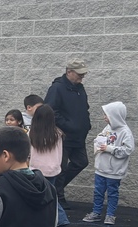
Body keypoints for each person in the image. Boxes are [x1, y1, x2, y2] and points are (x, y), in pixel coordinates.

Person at [45, 58, 91, 208]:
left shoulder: (80, 88)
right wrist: (68, 125)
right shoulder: (57, 88)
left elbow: (84, 108)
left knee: (81, 162)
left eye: (83, 75)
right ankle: (58, 197)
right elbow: (50, 110)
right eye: (79, 74)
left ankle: (55, 190)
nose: (81, 78)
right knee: (61, 167)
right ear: (69, 72)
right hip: (63, 135)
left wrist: (86, 125)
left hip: (78, 136)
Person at [82, 102, 134, 226]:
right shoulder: (107, 128)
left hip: (114, 170)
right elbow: (100, 139)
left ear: (115, 115)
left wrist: (110, 149)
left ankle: (110, 215)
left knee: (112, 193)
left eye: (107, 115)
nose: (104, 117)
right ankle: (96, 212)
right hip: (101, 168)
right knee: (98, 192)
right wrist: (98, 142)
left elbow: (128, 149)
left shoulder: (125, 132)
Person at [28, 104, 69, 227]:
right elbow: (60, 152)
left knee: (38, 196)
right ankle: (58, 220)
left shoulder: (32, 133)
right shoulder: (57, 134)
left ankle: (60, 220)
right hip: (52, 170)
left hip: (35, 169)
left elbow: (28, 152)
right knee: (50, 195)